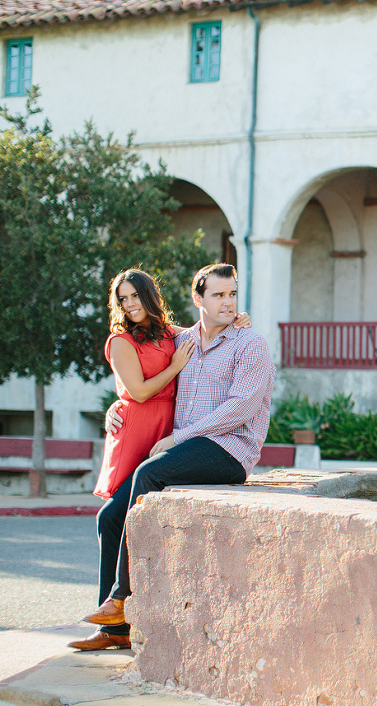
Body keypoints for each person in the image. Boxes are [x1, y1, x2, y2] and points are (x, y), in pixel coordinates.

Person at [78, 263, 274, 644]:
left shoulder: (250, 343)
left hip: (229, 451)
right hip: (188, 445)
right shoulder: (183, 341)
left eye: (233, 294)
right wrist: (115, 407)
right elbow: (142, 382)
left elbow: (241, 408)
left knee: (148, 475)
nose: (228, 303)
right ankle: (115, 629)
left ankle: (120, 597)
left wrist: (180, 436)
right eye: (218, 295)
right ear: (197, 299)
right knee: (109, 516)